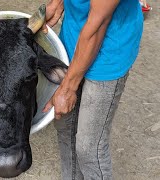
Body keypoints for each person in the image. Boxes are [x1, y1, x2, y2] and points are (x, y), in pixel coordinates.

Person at [42, 0, 143, 179]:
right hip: (76, 33)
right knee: (65, 127)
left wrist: (67, 89)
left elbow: (98, 26)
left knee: (89, 148)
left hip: (110, 46)